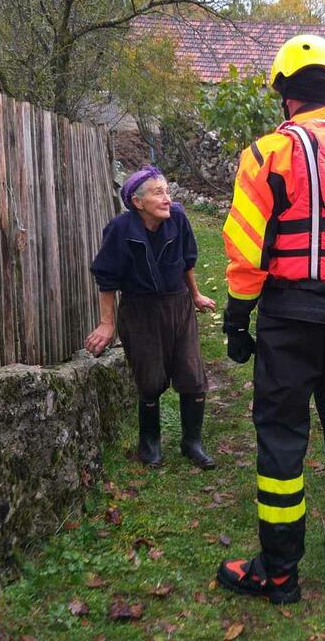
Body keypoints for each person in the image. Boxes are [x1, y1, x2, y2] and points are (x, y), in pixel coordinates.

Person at [216, 34, 325, 604]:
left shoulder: (270, 153)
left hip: (291, 318)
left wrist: (238, 319)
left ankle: (279, 570)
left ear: (285, 94)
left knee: (283, 438)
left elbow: (247, 248)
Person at [86, 166, 217, 470]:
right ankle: (150, 445)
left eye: (167, 191)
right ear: (137, 202)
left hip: (178, 305)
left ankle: (191, 442)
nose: (167, 199)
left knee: (192, 375)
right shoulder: (120, 229)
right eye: (158, 193)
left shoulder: (178, 219)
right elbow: (106, 279)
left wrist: (195, 295)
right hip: (140, 310)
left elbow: (186, 261)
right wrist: (107, 323)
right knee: (149, 378)